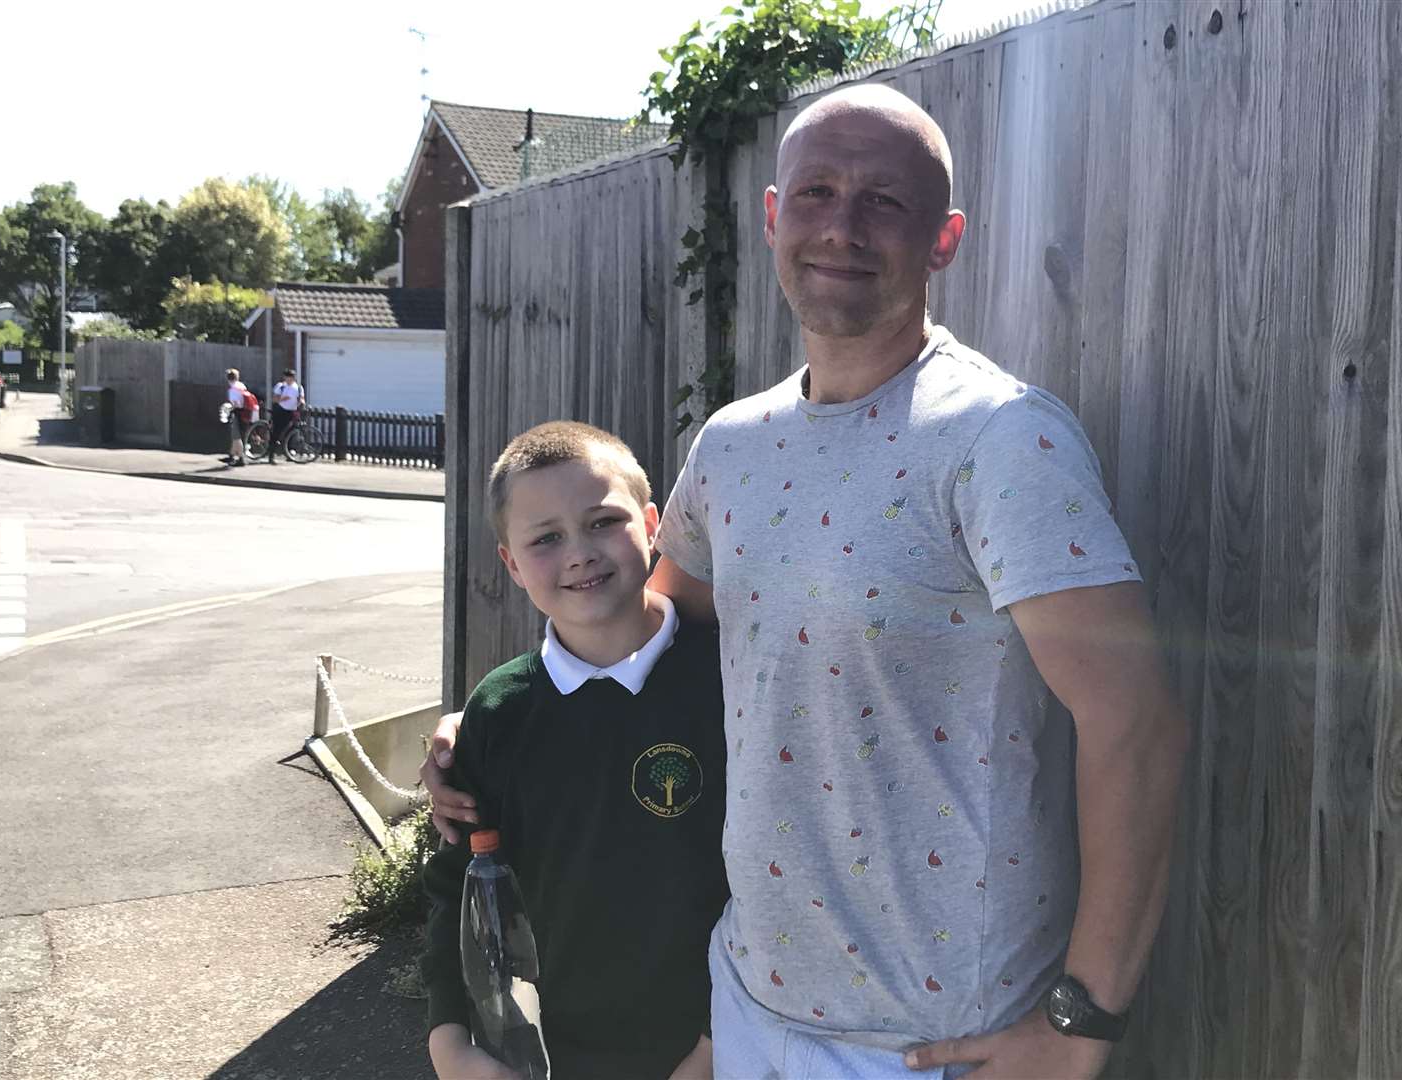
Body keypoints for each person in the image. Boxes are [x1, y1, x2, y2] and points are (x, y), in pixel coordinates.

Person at [424, 85, 1189, 1079]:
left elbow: (1138, 727)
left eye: (885, 202)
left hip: (932, 1042)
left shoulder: (1002, 441)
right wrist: (488, 717)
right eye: (819, 192)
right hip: (749, 1008)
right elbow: (651, 636)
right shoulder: (732, 448)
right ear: (775, 215)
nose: (843, 226)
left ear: (943, 239)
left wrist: (1082, 1022)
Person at [420, 421, 727, 1080]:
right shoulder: (499, 713)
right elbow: (460, 894)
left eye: (602, 522)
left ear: (652, 525)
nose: (579, 553)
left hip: (721, 1051)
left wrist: (711, 1049)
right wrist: (449, 1041)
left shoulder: (731, 684)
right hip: (548, 1058)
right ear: (509, 561)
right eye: (546, 538)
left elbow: (771, 885)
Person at [268, 368, 305, 463]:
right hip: (281, 410)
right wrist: (284, 398)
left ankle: (288, 453)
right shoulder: (281, 386)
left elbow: (301, 398)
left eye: (291, 378)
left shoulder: (299, 388)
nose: (289, 380)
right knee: (277, 431)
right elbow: (275, 399)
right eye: (287, 377)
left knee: (291, 432)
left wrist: (301, 402)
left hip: (292, 411)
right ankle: (271, 455)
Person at [224, 368, 254, 466]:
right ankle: (232, 455)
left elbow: (235, 403)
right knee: (238, 435)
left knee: (236, 437)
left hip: (237, 413)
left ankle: (241, 458)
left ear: (228, 378)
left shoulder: (232, 389)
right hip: (246, 412)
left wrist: (228, 408)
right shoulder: (242, 385)